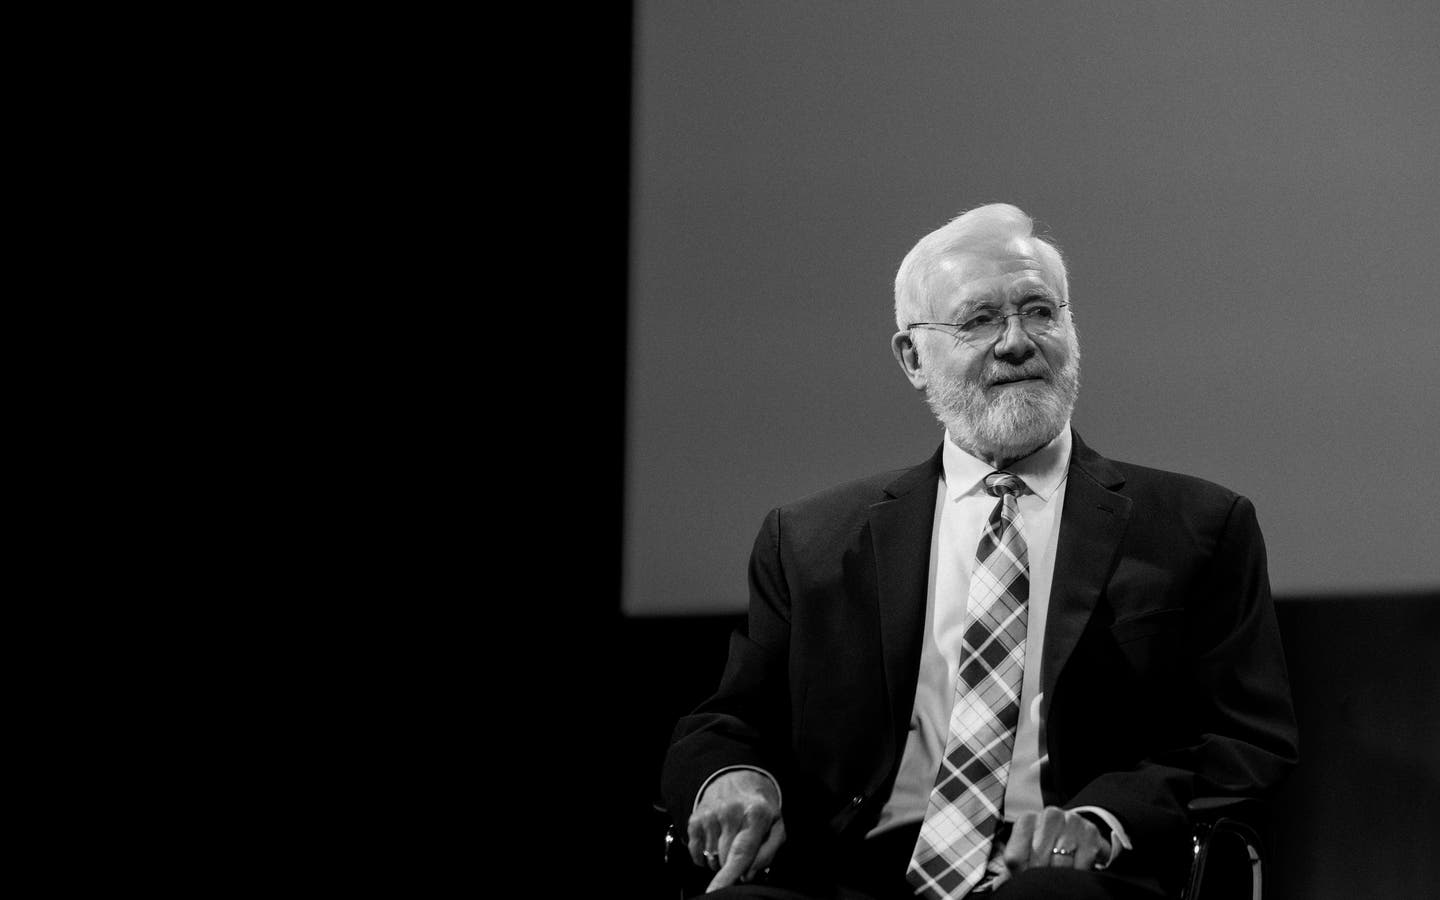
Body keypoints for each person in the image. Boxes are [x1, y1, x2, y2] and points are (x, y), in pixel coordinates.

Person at [660, 203, 1299, 900]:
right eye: (979, 320)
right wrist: (734, 777)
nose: (1018, 341)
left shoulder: (1197, 526)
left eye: (1040, 312)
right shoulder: (812, 541)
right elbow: (730, 721)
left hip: (1071, 873)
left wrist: (1103, 819)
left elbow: (1245, 743)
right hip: (854, 869)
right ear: (912, 357)